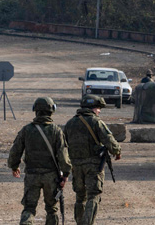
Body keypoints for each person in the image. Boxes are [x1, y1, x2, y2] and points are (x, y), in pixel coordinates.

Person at [8, 97, 72, 225]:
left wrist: (14, 166)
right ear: (52, 111)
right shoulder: (56, 131)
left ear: (35, 110)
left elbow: (15, 151)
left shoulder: (27, 130)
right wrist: (65, 175)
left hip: (32, 175)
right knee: (52, 209)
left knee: (29, 208)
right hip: (51, 176)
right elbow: (63, 155)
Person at [64, 94, 121, 225]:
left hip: (76, 166)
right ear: (92, 108)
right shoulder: (96, 122)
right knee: (93, 196)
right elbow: (109, 140)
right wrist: (117, 152)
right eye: (98, 108)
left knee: (80, 197)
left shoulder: (70, 123)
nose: (99, 111)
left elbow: (63, 145)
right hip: (93, 166)